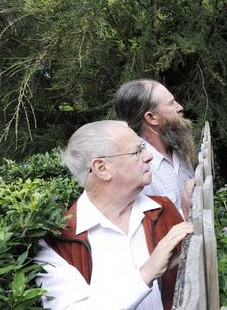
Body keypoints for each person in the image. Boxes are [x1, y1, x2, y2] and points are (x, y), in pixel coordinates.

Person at [34, 120, 193, 309]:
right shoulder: (59, 243)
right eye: (137, 151)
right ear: (102, 168)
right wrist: (147, 272)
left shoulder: (163, 210)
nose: (149, 156)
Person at [113, 79, 196, 213]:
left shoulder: (179, 148)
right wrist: (186, 210)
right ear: (151, 118)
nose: (179, 107)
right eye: (171, 103)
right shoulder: (137, 171)